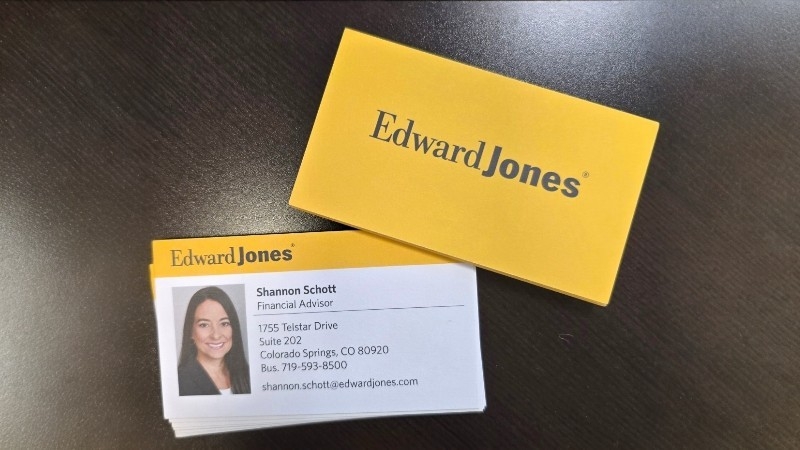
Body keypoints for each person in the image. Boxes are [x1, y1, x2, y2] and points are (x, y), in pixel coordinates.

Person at [178, 286, 251, 395]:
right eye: (204, 325)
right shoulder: (180, 382)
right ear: (190, 332)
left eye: (224, 323)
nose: (216, 335)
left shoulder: (247, 375)